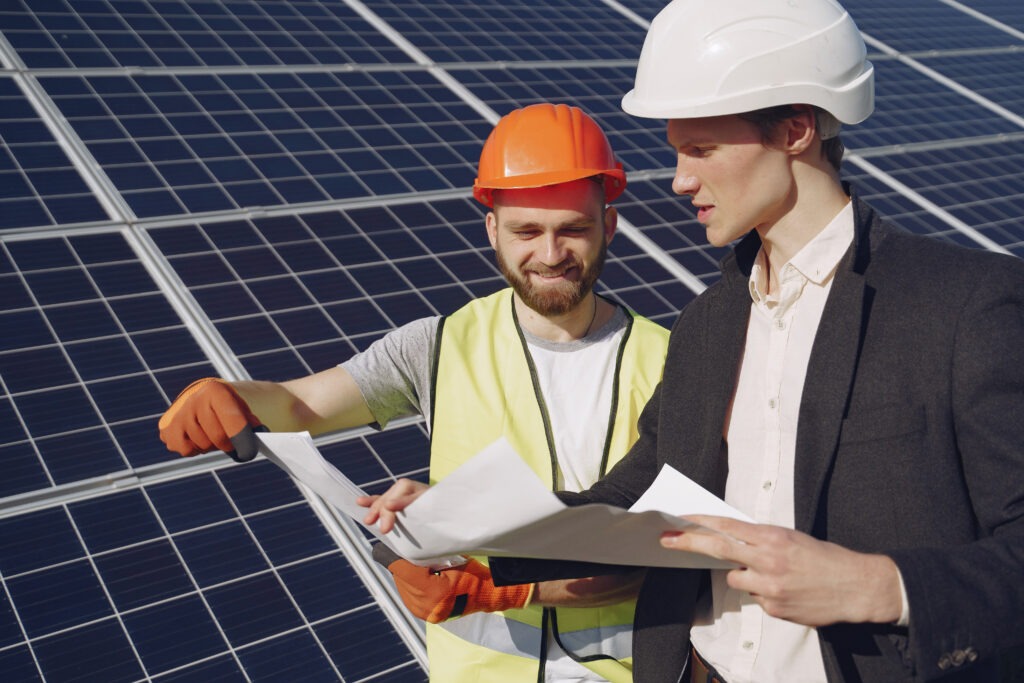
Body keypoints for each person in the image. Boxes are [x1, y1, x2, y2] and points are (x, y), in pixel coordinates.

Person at [363, 1, 1024, 682]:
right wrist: (464, 521)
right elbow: (628, 503)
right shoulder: (708, 323)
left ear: (796, 129)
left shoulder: (964, 302)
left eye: (701, 149)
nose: (679, 180)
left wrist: (882, 584)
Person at [159, 102, 670, 683]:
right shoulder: (437, 345)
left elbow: (677, 555)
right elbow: (300, 405)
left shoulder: (675, 363)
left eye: (572, 229)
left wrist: (510, 585)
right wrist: (229, 396)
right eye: (526, 231)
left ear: (611, 223)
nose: (550, 254)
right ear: (491, 231)